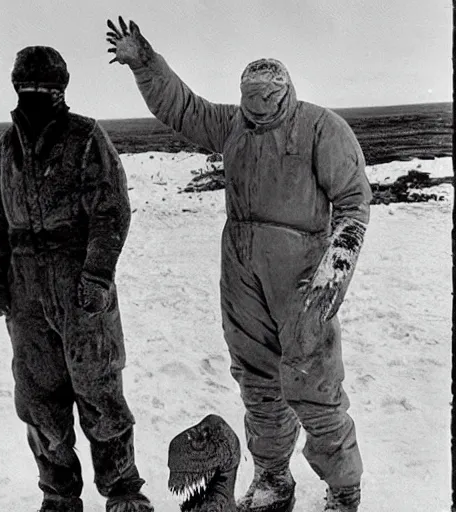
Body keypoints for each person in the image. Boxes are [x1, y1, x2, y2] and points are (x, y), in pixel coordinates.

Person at [105, 17, 373, 512]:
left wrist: (332, 273)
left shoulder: (322, 128)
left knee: (313, 382)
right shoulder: (234, 125)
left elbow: (354, 206)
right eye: (250, 110)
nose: (257, 117)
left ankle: (344, 486)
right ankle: (273, 478)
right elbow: (182, 108)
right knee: (257, 381)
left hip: (303, 279)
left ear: (285, 96)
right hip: (242, 273)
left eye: (265, 109)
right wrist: (145, 62)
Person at [0, 46, 153, 512]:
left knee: (99, 390)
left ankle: (123, 491)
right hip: (25, 295)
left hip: (80, 288)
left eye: (45, 87)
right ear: (16, 87)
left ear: (61, 89)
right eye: (27, 86)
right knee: (38, 400)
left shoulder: (86, 138)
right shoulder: (2, 153)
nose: (35, 94)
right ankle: (58, 497)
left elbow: (111, 210)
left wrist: (97, 275)